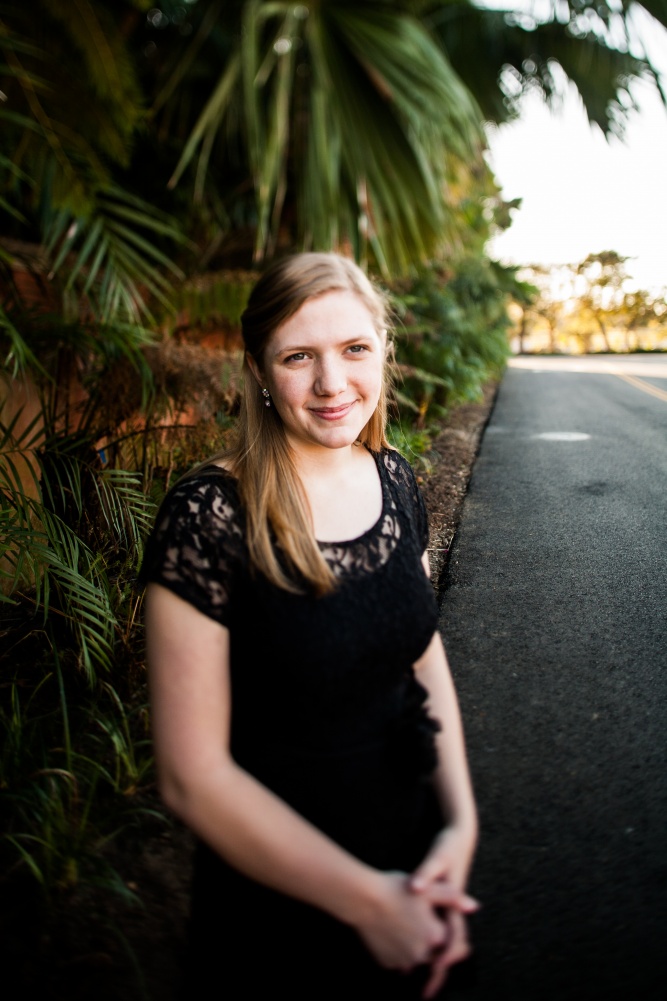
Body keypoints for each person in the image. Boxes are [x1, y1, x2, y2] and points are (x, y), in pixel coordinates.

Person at [141, 253, 478, 1000]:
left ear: (383, 350)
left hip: (412, 854)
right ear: (259, 370)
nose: (332, 384)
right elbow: (191, 779)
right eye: (299, 357)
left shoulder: (392, 476)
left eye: (354, 349)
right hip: (281, 906)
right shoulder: (207, 517)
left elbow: (421, 653)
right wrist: (369, 903)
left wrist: (460, 825)